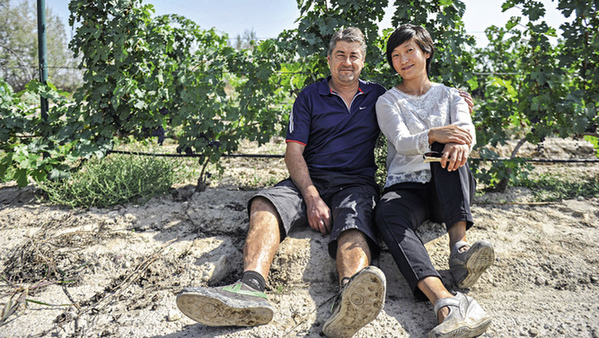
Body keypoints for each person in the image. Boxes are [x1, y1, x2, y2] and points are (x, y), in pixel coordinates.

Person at [176, 27, 388, 338]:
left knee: (355, 222)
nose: (346, 62)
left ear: (363, 61)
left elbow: (413, 107)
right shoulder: (309, 97)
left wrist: (455, 102)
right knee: (265, 203)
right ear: (329, 60)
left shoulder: (378, 96)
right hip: (308, 178)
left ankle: (349, 301)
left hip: (356, 183)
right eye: (340, 55)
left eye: (353, 56)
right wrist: (313, 196)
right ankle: (250, 289)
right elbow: (293, 152)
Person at [374, 24, 494, 338]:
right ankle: (442, 299)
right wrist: (433, 134)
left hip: (449, 187)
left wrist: (454, 142)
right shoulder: (388, 101)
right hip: (406, 186)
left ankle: (459, 249)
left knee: (450, 146)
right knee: (387, 214)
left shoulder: (452, 95)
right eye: (395, 55)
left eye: (409, 51)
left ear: (426, 52)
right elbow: (400, 141)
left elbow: (467, 132)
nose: (401, 60)